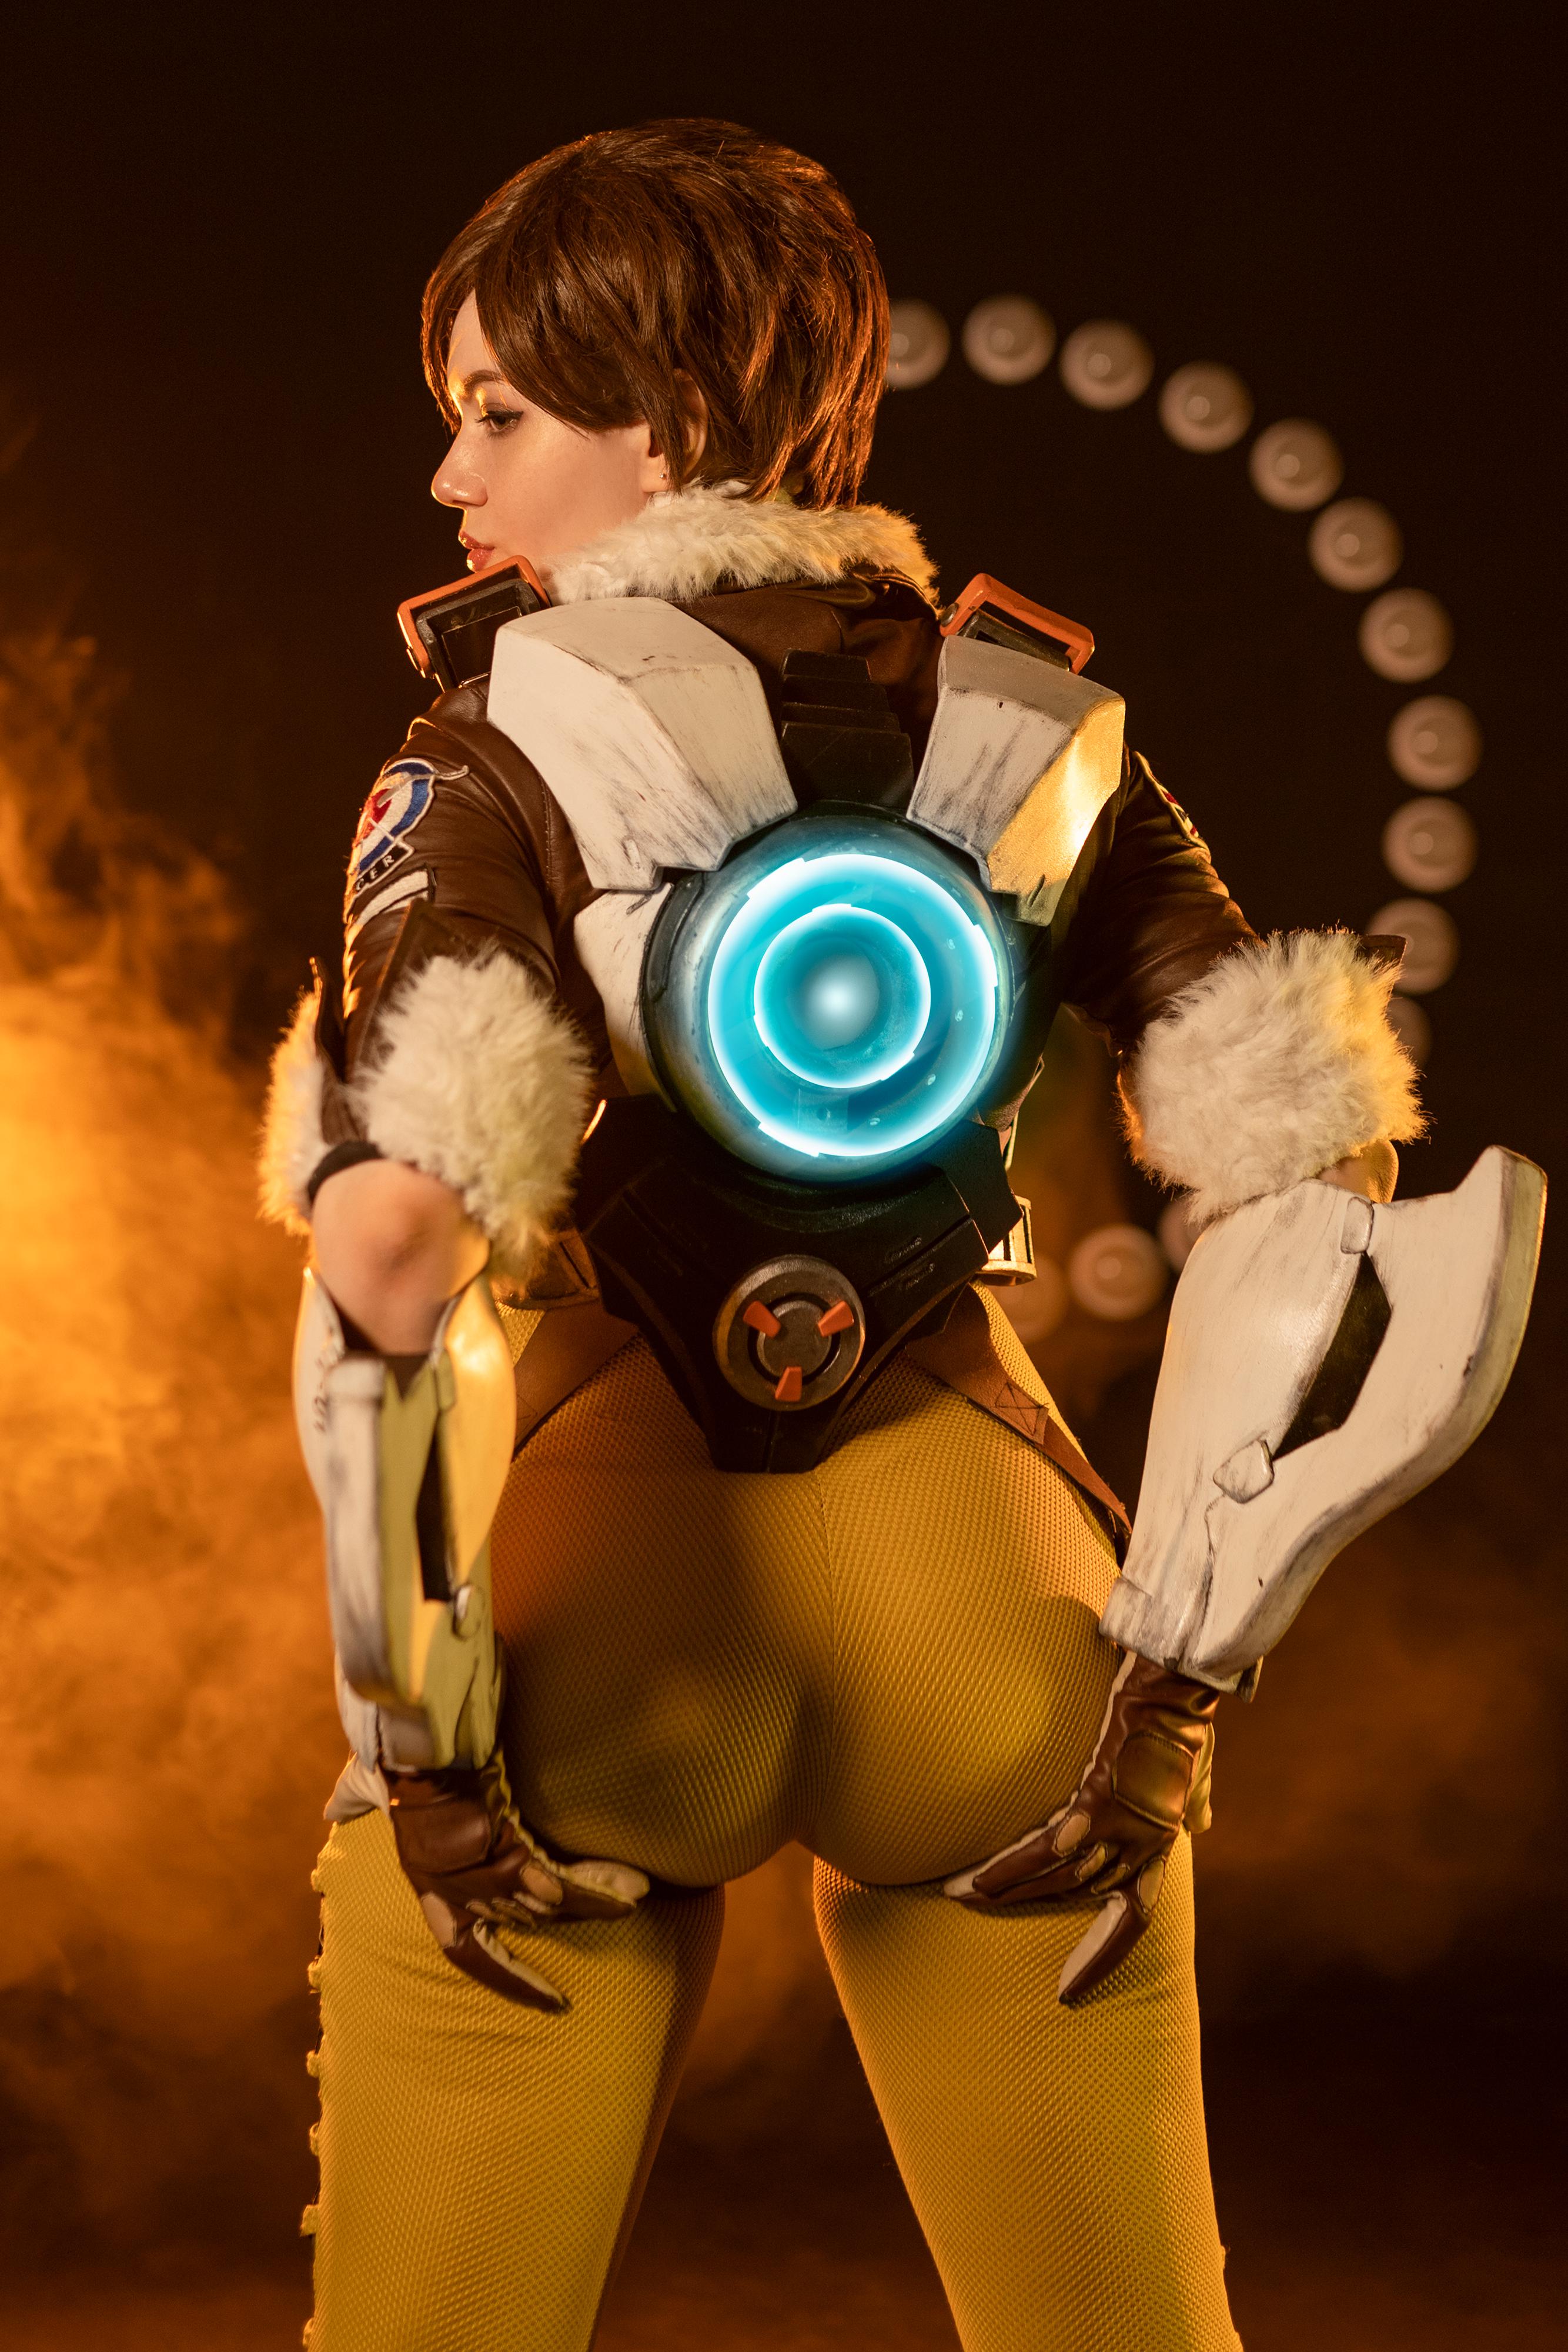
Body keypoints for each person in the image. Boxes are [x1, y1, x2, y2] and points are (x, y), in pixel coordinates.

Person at [263, 118, 1418, 2352]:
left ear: (665, 419)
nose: (451, 476)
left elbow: (396, 1255)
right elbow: (1307, 1180)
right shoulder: (1032, 723)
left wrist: (420, 1750)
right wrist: (1174, 1692)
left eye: (496, 413)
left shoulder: (482, 744)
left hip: (605, 1630)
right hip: (993, 1619)